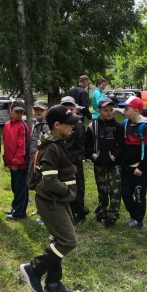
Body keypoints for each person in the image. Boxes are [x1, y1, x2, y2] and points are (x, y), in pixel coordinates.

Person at [20, 105, 82, 292]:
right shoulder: (51, 148)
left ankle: (53, 282)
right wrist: (67, 193)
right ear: (57, 125)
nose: (72, 126)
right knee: (68, 241)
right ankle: (34, 269)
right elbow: (49, 180)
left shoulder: (57, 142)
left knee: (59, 240)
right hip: (51, 201)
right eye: (69, 123)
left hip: (58, 200)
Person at [86, 97, 124, 228]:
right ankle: (101, 211)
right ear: (99, 111)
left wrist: (115, 155)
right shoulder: (93, 126)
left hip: (114, 164)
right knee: (102, 189)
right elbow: (88, 144)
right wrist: (93, 154)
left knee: (114, 190)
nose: (109, 113)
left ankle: (112, 215)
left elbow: (122, 144)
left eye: (111, 110)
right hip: (99, 163)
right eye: (105, 110)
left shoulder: (118, 126)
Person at [119, 96, 147, 229]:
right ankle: (133, 215)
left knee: (139, 194)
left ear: (136, 110)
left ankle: (138, 219)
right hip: (126, 167)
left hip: (139, 168)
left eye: (127, 109)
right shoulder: (125, 123)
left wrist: (142, 167)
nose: (124, 111)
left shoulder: (145, 127)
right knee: (125, 192)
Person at [61, 96, 88, 225]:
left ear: (75, 109)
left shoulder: (78, 124)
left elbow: (81, 146)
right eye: (65, 109)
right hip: (61, 161)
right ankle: (67, 212)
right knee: (64, 187)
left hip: (73, 162)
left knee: (77, 188)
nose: (69, 112)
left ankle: (80, 213)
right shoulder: (58, 123)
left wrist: (75, 162)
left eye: (71, 109)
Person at [3, 100, 30, 220]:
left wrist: (16, 162)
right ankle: (15, 208)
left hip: (20, 164)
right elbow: (6, 143)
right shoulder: (7, 125)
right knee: (15, 186)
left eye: (21, 112)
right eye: (16, 111)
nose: (19, 114)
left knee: (20, 188)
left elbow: (23, 147)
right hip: (11, 163)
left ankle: (19, 212)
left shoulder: (22, 126)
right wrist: (6, 159)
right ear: (11, 111)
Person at [27, 100, 50, 189]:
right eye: (36, 109)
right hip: (33, 157)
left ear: (46, 111)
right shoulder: (35, 122)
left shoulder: (46, 125)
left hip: (41, 159)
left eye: (41, 110)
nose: (38, 112)